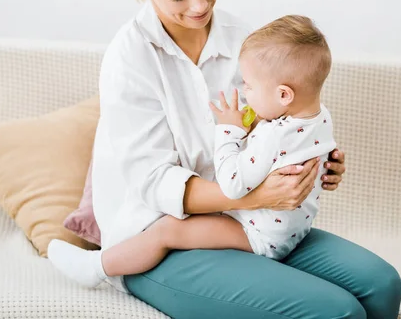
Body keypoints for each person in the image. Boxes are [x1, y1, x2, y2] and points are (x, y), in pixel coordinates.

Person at [48, 0, 401, 318]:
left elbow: (274, 123)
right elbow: (154, 184)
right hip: (162, 233)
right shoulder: (129, 59)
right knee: (338, 312)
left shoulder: (243, 40)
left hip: (248, 219)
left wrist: (315, 160)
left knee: (382, 287)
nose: (199, 5)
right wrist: (259, 196)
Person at [50, 14, 338, 283]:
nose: (245, 92)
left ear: (284, 94)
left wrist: (229, 130)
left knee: (167, 230)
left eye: (249, 86)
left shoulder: (273, 136)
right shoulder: (320, 116)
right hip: (295, 227)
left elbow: (234, 184)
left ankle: (96, 269)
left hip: (260, 234)